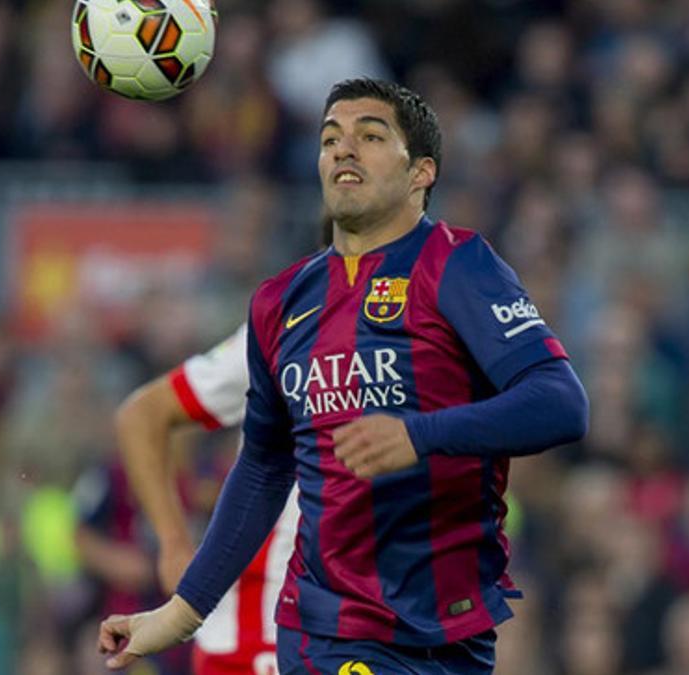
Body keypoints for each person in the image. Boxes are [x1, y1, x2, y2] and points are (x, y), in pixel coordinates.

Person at [98, 78, 589, 674]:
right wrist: (181, 612)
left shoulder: (457, 265)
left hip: (451, 628)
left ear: (421, 173)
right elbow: (264, 464)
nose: (343, 149)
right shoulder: (279, 303)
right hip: (326, 630)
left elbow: (560, 402)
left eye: (370, 135)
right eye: (330, 138)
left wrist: (419, 435)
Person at [115, 323, 297, 675]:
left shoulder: (428, 307)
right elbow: (142, 414)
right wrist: (174, 544)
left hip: (388, 626)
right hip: (257, 637)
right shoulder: (287, 320)